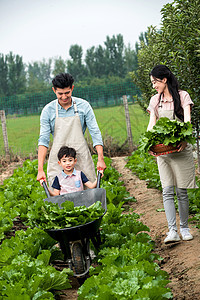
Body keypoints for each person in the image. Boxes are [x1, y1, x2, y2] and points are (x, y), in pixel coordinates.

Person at [146, 64, 197, 244]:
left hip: (181, 150)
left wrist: (184, 139)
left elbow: (187, 122)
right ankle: (172, 231)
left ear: (164, 80)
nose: (154, 86)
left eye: (155, 82)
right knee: (167, 190)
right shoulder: (155, 100)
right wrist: (150, 142)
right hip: (164, 152)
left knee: (181, 191)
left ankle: (184, 228)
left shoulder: (183, 96)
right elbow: (152, 124)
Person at [37, 73, 106, 188]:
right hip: (59, 160)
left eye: (67, 93)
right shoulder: (48, 111)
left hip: (80, 156)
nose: (64, 97)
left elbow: (95, 132)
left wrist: (101, 158)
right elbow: (43, 140)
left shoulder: (84, 106)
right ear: (54, 90)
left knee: (88, 193)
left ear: (72, 88)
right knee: (60, 195)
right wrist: (40, 169)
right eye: (60, 94)